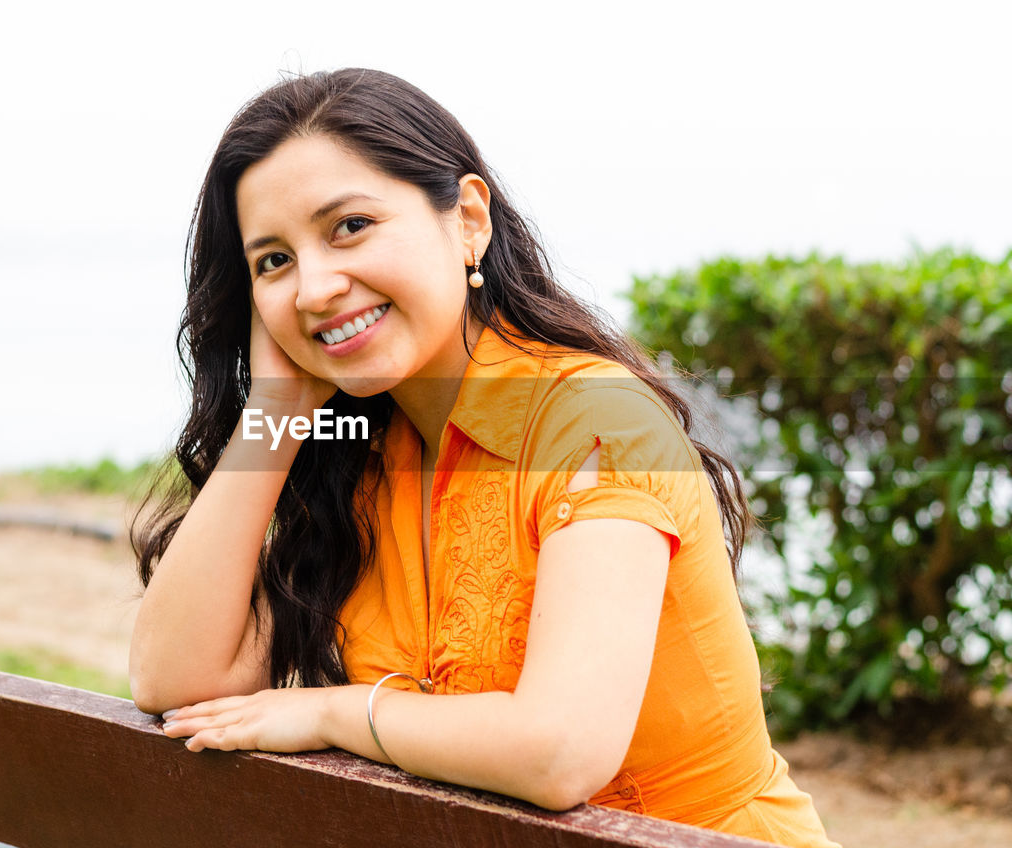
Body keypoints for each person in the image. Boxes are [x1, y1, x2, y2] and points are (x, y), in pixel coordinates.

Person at [128, 68, 839, 848]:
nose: (315, 287)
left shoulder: (594, 424)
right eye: (274, 261)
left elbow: (559, 752)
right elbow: (174, 680)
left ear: (468, 220)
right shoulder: (360, 450)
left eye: (349, 226)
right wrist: (275, 416)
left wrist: (332, 711)